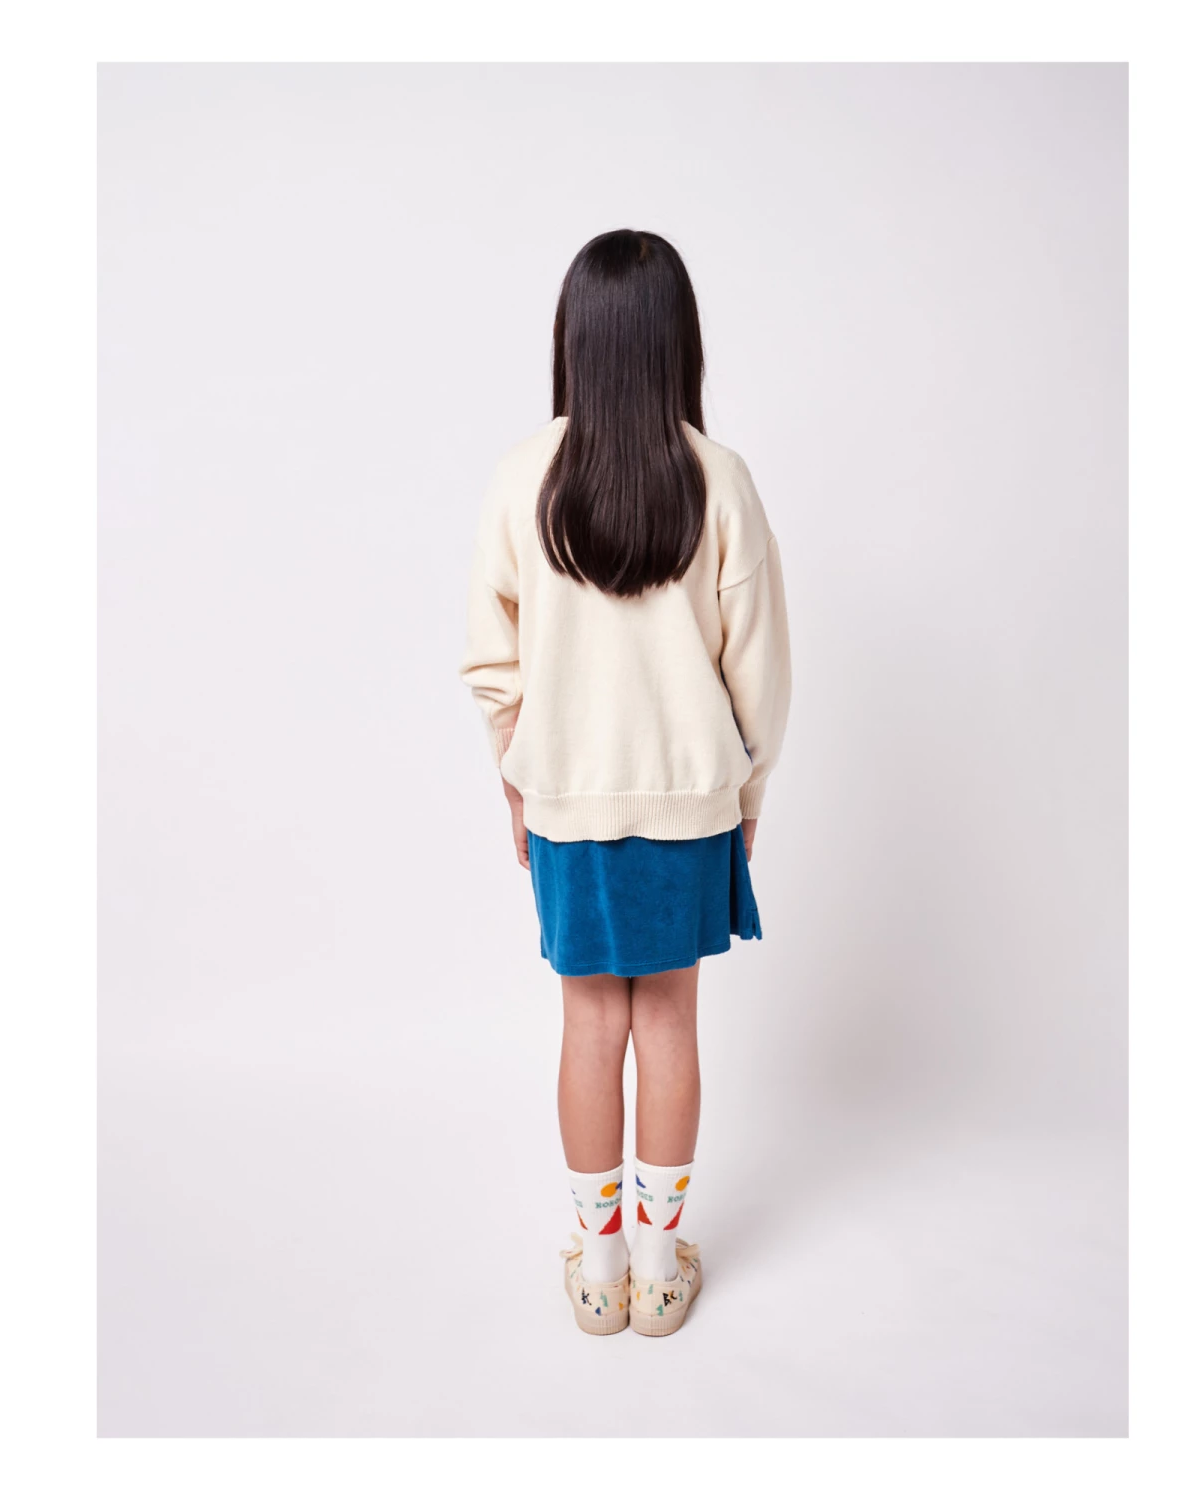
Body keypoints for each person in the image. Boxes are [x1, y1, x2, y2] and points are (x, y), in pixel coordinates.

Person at [460, 229, 791, 1336]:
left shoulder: (523, 478)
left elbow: (492, 664)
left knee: (590, 1023)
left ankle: (598, 1276)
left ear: (573, 339)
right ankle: (659, 1269)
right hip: (690, 800)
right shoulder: (719, 479)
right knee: (672, 1022)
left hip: (569, 798)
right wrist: (747, 795)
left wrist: (517, 782)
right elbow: (761, 670)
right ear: (677, 342)